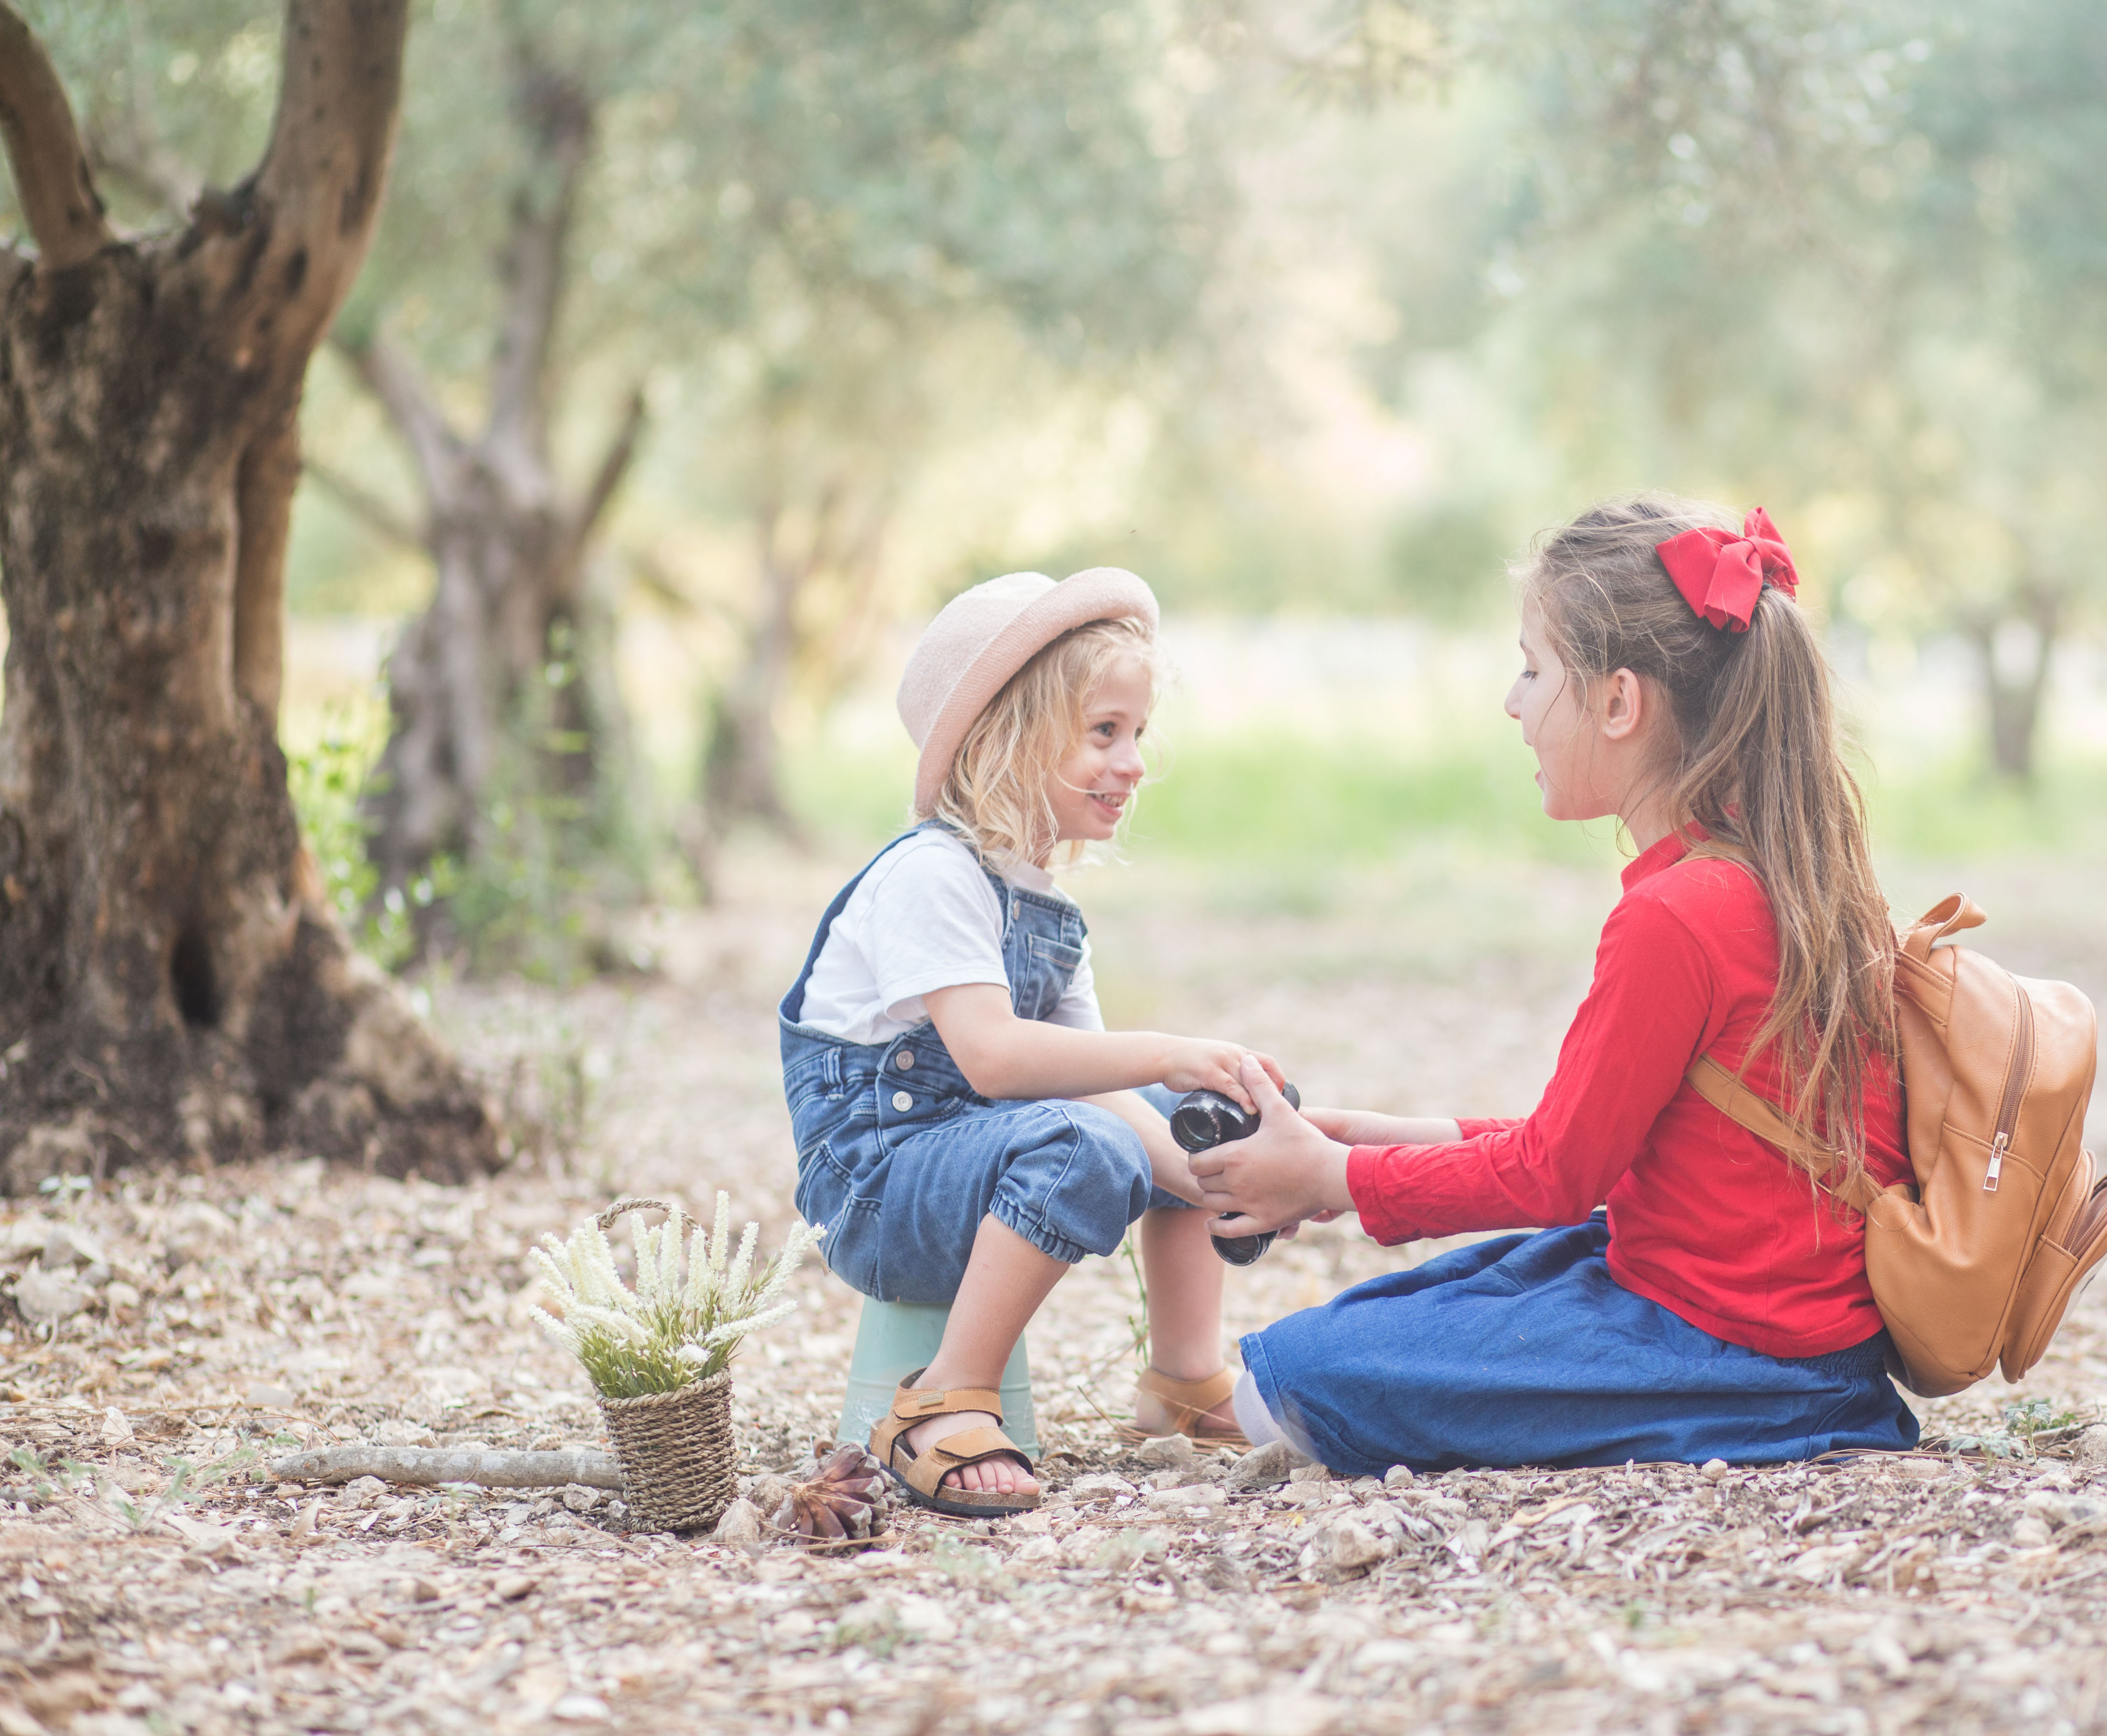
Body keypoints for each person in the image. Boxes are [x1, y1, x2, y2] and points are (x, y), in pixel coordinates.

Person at [1187, 496, 1921, 1475]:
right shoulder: (1778, 874)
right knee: (1337, 1346)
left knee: (1304, 1376)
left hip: (1738, 1354)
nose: (1514, 702)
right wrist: (1365, 1145)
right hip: (1778, 1325)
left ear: (1621, 703)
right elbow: (1604, 1145)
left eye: (1534, 671)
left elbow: (1558, 1175)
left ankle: (1752, 1425)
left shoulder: (1677, 916)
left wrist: (1333, 1182)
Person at [779, 568, 1280, 1518]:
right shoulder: (932, 874)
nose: (1134, 759)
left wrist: (1221, 1174)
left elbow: (1107, 1094)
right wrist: (1166, 1048)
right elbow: (994, 1061)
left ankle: (1182, 1375)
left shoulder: (1045, 906)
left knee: (1200, 1122)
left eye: (1137, 732)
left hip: (974, 1167)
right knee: (1081, 1144)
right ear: (1006, 739)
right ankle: (939, 1396)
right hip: (883, 1194)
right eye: (1104, 732)